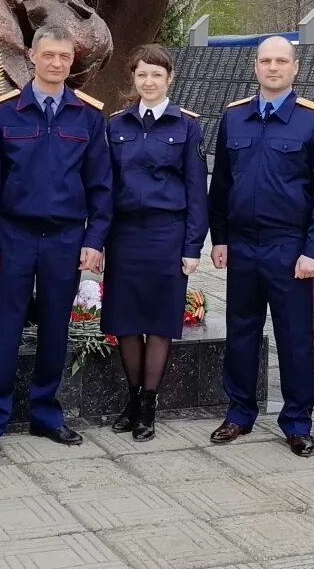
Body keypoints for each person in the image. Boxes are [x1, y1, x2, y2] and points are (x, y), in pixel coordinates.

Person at [0, 25, 112, 458]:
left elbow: (101, 185)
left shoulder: (87, 115)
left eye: (65, 56)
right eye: (49, 55)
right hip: (12, 237)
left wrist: (95, 239)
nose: (57, 63)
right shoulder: (5, 113)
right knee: (0, 332)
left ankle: (46, 414)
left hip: (65, 238)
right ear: (32, 55)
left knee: (54, 331)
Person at [208, 36, 314, 457]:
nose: (273, 67)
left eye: (282, 61)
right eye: (266, 60)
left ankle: (297, 421)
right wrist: (220, 238)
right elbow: (222, 184)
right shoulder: (235, 117)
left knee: (295, 339)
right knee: (241, 333)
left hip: (291, 248)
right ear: (255, 66)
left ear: (295, 68)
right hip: (243, 246)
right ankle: (240, 412)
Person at [102, 44, 208, 442]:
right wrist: (97, 240)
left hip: (168, 234)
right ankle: (132, 399)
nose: (149, 81)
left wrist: (192, 246)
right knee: (126, 322)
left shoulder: (187, 127)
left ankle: (149, 404)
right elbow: (104, 187)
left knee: (160, 322)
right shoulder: (116, 126)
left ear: (169, 79)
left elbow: (198, 190)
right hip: (125, 235)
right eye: (142, 74)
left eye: (157, 75)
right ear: (134, 77)